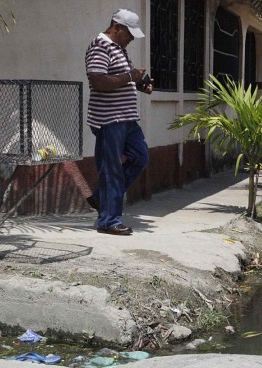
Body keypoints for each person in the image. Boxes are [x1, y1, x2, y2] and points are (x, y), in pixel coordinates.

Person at [84, 8, 153, 235]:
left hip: (127, 119)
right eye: (129, 33)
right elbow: (99, 81)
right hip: (109, 119)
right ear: (116, 28)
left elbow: (121, 79)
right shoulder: (100, 46)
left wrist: (140, 84)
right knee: (111, 170)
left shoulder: (119, 48)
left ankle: (100, 199)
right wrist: (130, 77)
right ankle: (108, 221)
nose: (132, 38)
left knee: (140, 157)